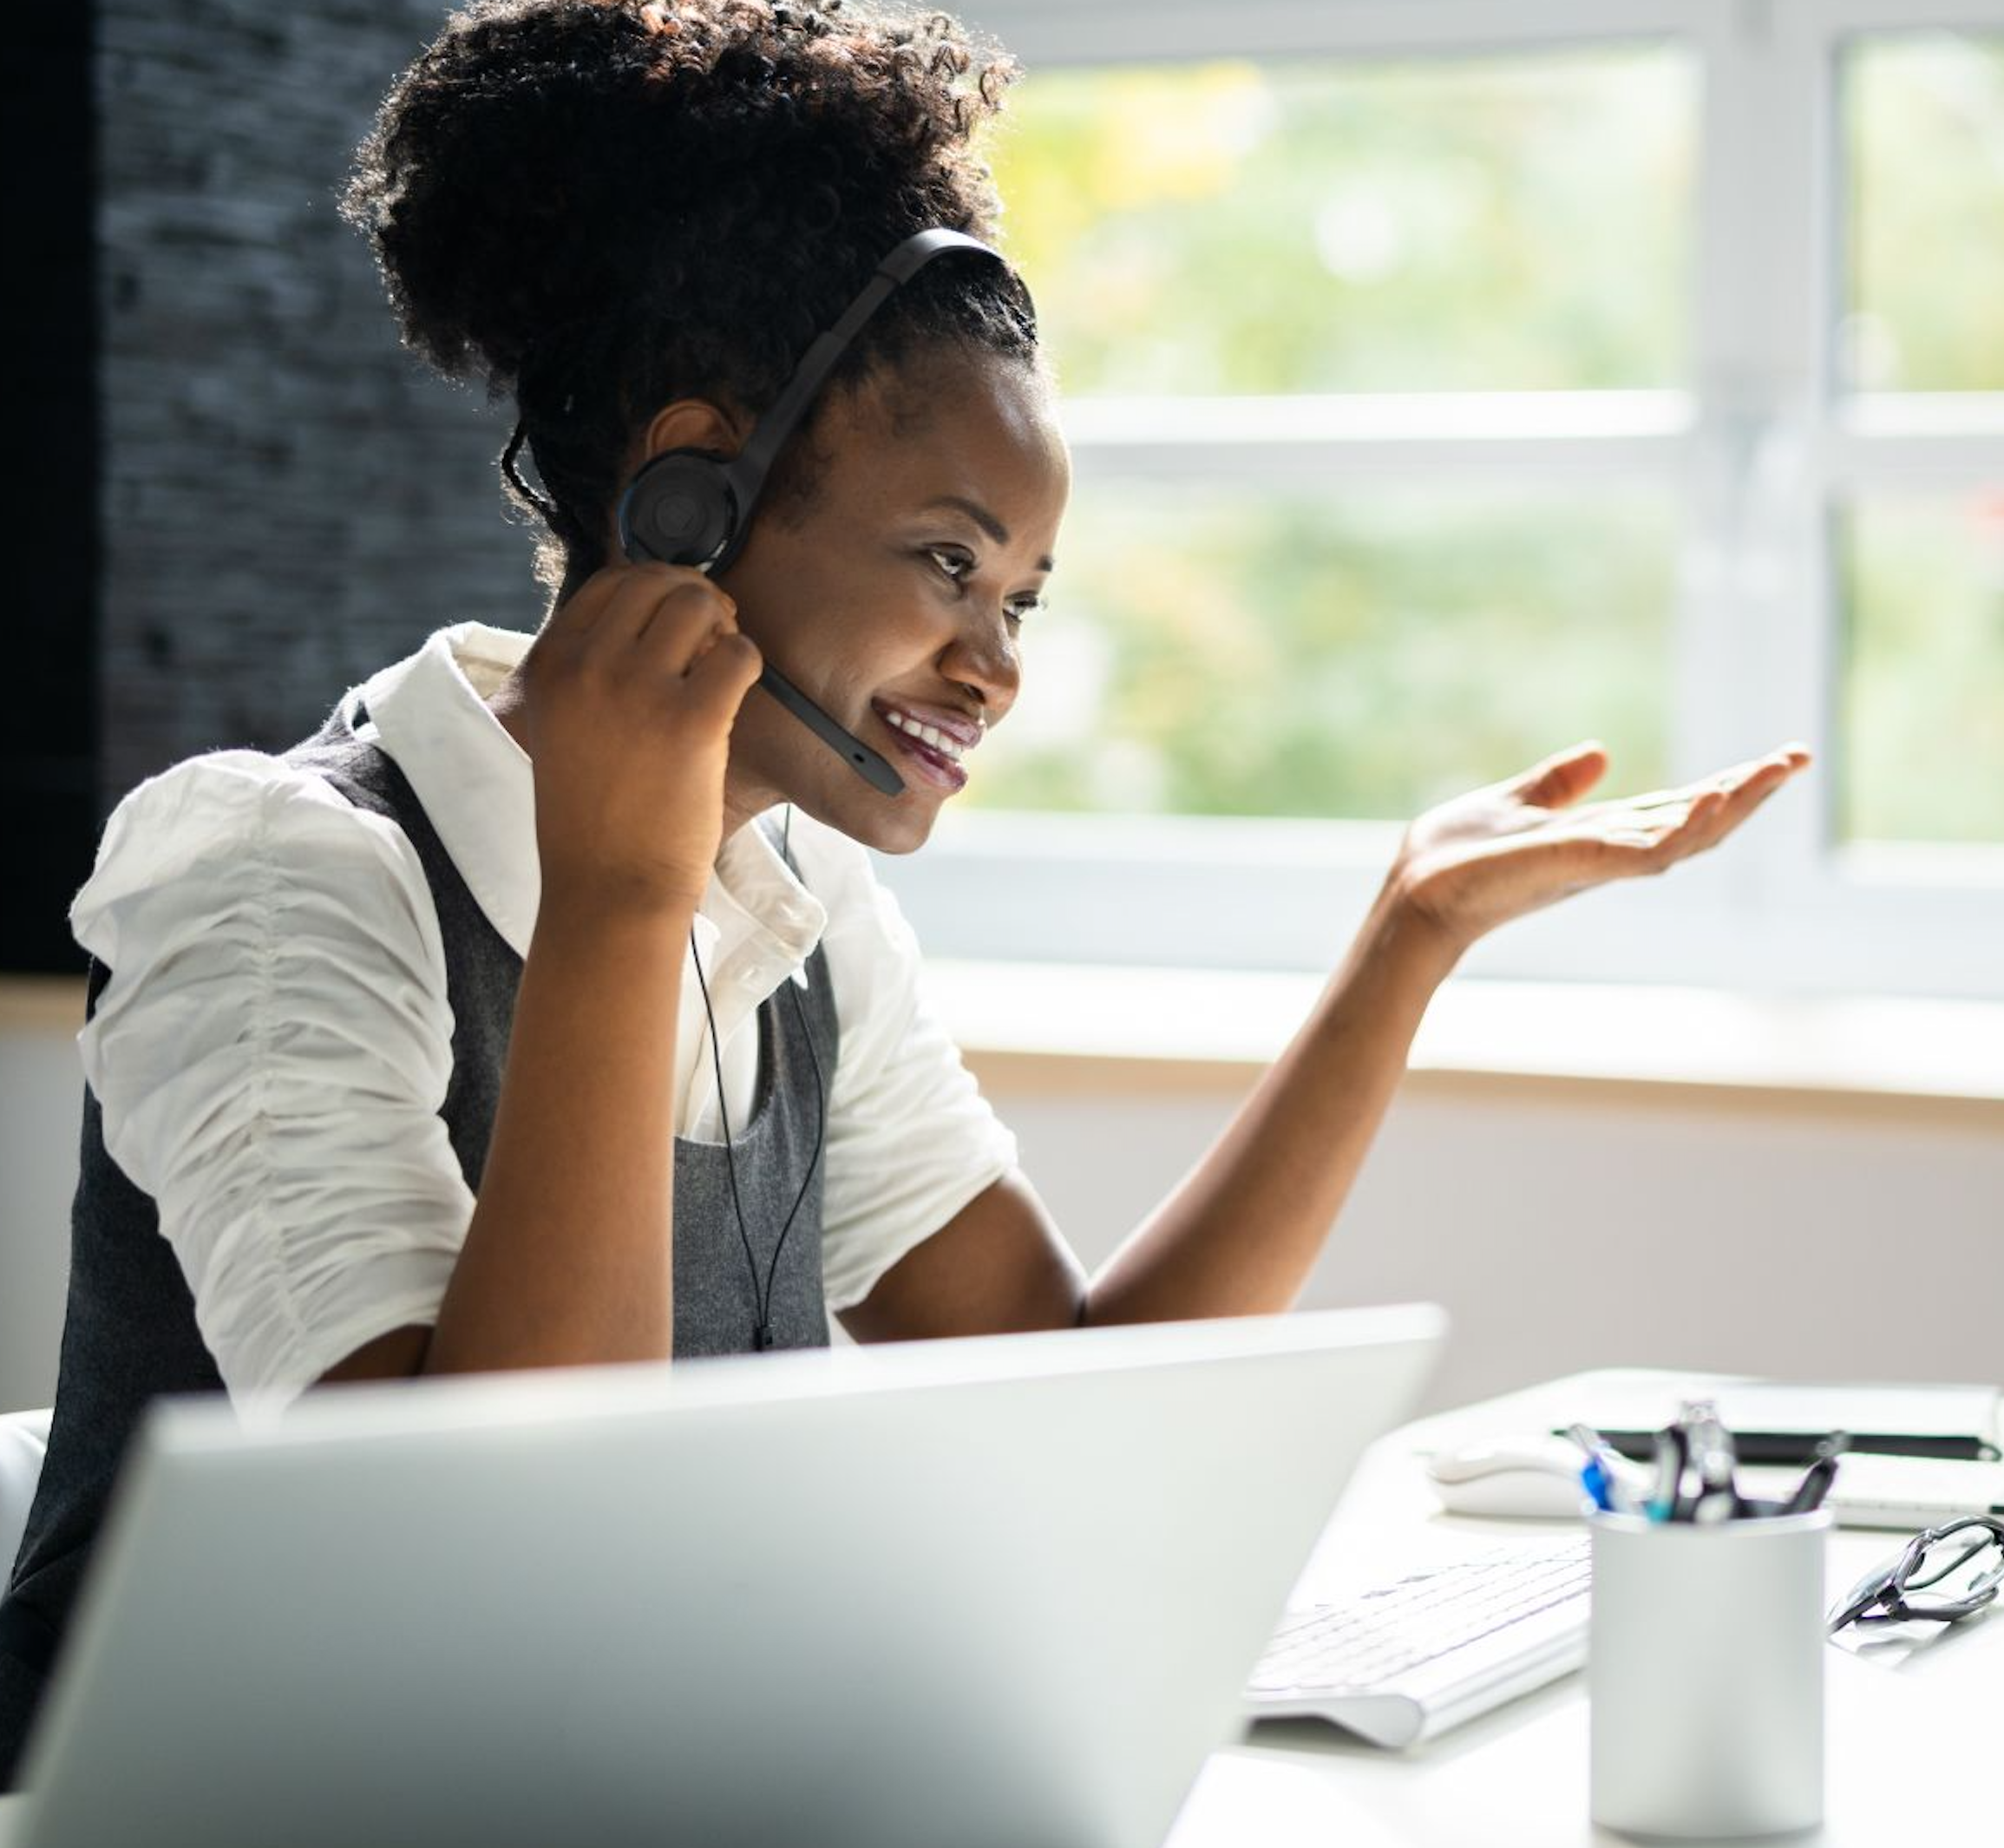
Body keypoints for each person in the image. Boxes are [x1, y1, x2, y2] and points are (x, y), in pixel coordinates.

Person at [0, 0, 1810, 1785]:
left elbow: (1076, 1392)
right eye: (947, 562)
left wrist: (1406, 943)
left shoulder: (792, 916)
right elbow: (485, 1583)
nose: (994, 666)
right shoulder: (273, 870)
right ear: (690, 495)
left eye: (1020, 595)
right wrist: (621, 899)